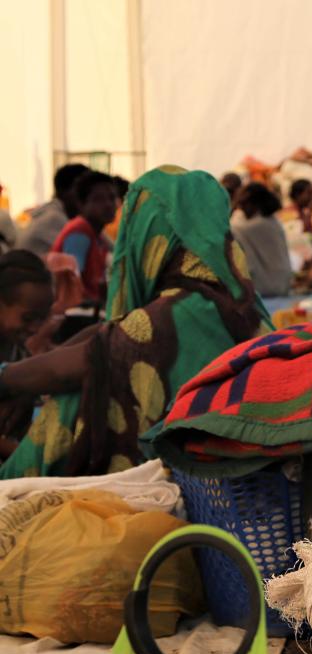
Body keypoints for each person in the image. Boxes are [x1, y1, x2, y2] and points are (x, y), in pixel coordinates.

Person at [0, 166, 268, 478]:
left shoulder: (186, 311)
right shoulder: (239, 299)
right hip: (248, 479)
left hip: (203, 484)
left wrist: (9, 382)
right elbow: (107, 334)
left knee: (86, 390)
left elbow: (94, 355)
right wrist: (26, 386)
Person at [0, 250, 56, 462]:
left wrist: (25, 392)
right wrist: (27, 458)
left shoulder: (14, 346)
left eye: (42, 318)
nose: (35, 328)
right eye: (29, 318)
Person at [49, 170, 118, 303]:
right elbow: (73, 283)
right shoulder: (79, 232)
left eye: (112, 197)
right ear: (81, 204)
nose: (109, 204)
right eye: (99, 199)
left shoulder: (96, 234)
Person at [231, 182, 292, 297]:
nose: (241, 208)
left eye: (243, 203)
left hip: (269, 285)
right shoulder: (271, 221)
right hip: (281, 283)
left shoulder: (258, 225)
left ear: (255, 203)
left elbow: (230, 229)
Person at [15, 163, 90, 255]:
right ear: (64, 191)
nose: (87, 197)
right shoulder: (53, 219)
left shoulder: (60, 214)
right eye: (83, 191)